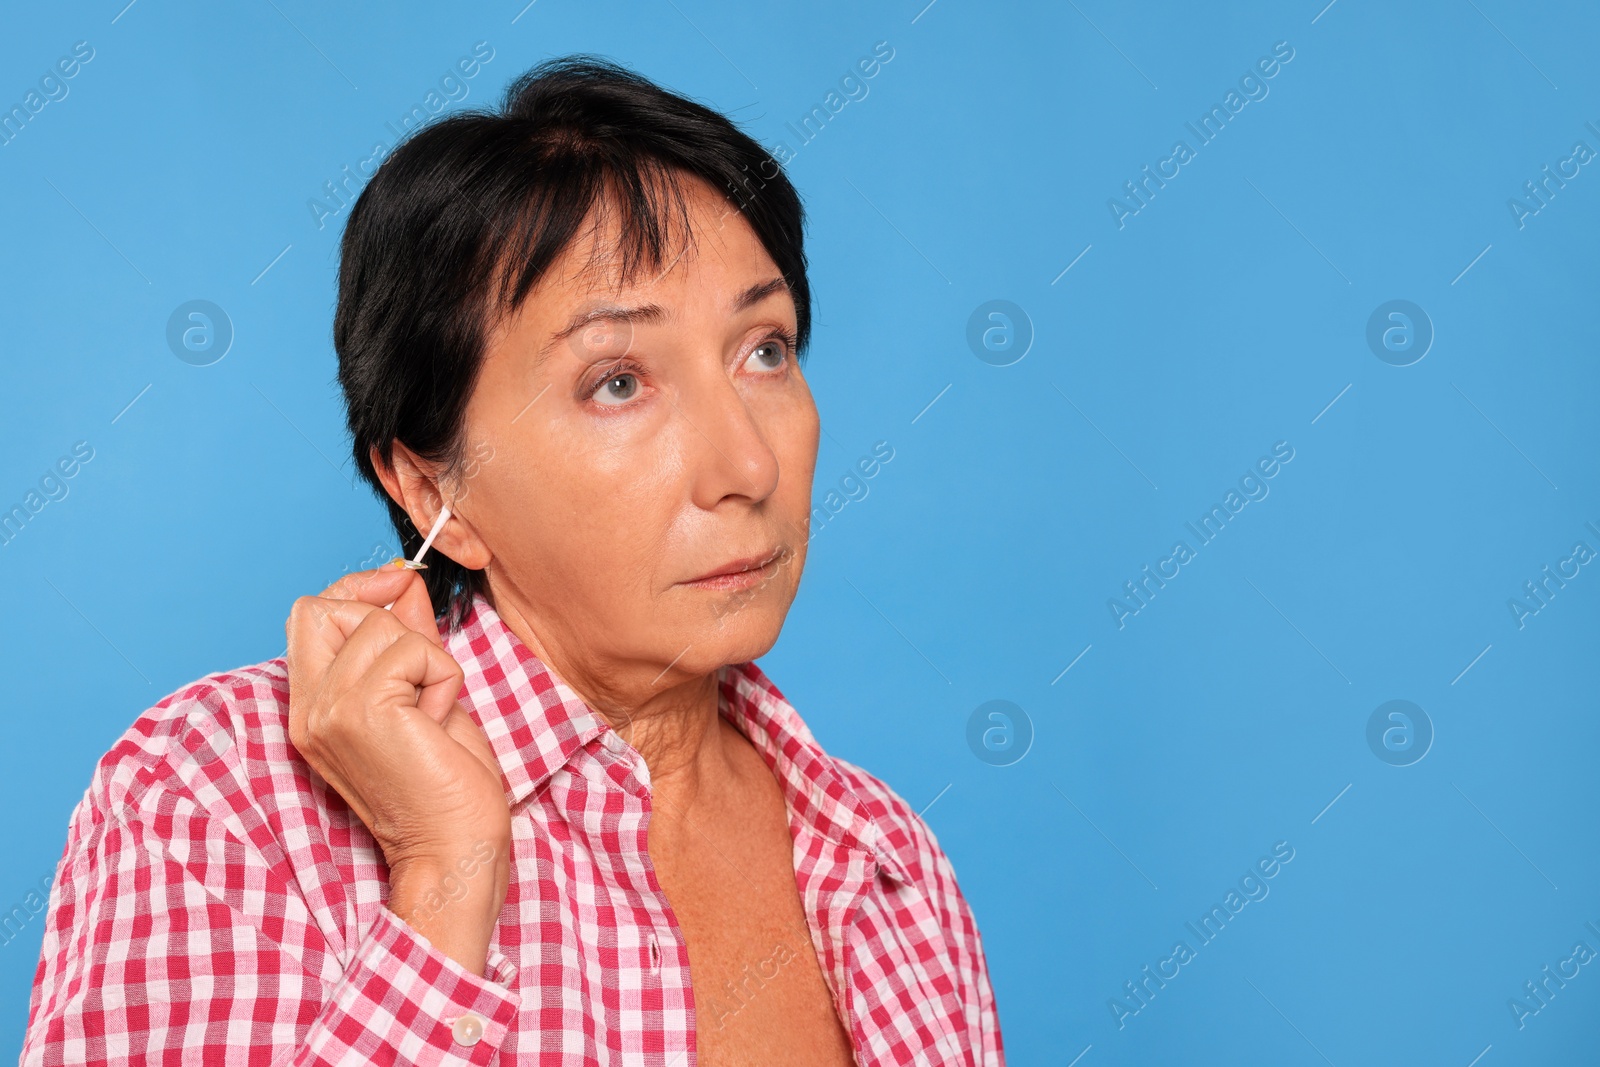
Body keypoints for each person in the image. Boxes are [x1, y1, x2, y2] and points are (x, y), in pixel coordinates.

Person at [21, 55, 1003, 1065]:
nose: (745, 465)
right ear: (430, 488)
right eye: (617, 380)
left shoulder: (887, 858)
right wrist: (442, 876)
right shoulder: (215, 798)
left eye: (764, 349)